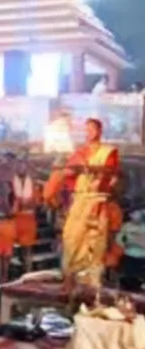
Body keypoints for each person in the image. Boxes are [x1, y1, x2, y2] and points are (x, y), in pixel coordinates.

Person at [60, 118, 119, 290]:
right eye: (86, 129)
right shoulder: (79, 152)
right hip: (79, 201)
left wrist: (86, 168)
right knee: (70, 238)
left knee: (94, 240)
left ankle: (91, 284)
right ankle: (70, 278)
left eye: (92, 129)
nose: (89, 132)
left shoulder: (108, 151)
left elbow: (110, 172)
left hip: (96, 200)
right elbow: (69, 173)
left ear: (99, 131)